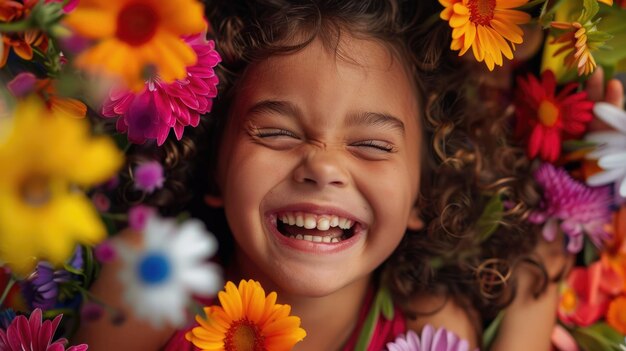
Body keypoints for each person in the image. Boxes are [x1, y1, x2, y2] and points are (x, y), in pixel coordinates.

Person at [72, 0, 624, 350]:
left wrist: (532, 296)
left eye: (371, 145)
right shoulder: (149, 286)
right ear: (211, 166)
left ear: (423, 197)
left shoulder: (429, 330)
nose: (324, 166)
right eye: (277, 133)